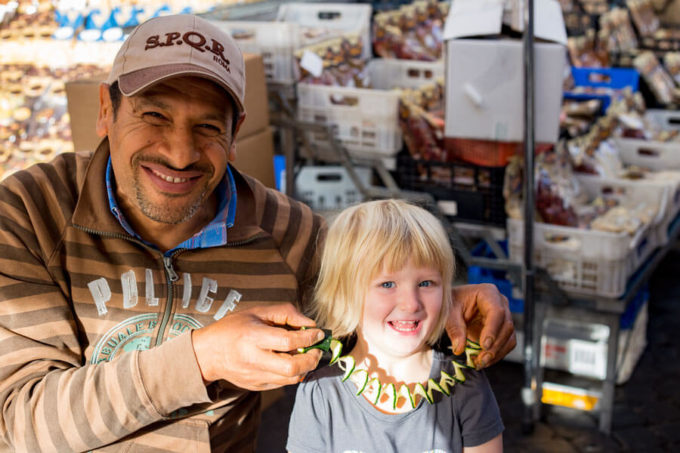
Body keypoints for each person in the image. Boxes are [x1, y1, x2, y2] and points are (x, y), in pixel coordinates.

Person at [0, 14, 515, 453]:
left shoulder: (290, 234)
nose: (180, 153)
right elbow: (16, 422)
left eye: (207, 127)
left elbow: (360, 298)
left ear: (236, 129)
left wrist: (435, 292)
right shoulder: (29, 212)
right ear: (106, 112)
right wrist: (201, 358)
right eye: (153, 115)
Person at [287, 199, 503, 453]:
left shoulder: (467, 388)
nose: (411, 304)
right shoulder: (320, 395)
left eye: (426, 283)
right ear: (342, 296)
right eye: (387, 284)